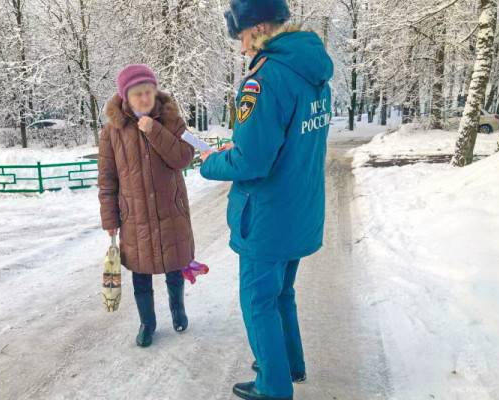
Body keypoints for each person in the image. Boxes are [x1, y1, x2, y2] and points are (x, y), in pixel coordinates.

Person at [200, 0, 334, 399]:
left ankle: (273, 387)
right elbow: (288, 142)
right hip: (300, 209)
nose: (241, 49)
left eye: (241, 37)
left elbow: (251, 162)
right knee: (282, 293)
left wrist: (210, 162)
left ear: (257, 29)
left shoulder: (264, 79)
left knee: (258, 301)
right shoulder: (312, 72)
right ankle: (289, 363)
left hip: (268, 217)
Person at [98, 64, 196, 348]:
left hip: (170, 212)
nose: (144, 99)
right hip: (135, 216)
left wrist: (155, 131)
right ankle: (147, 323)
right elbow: (107, 179)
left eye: (148, 92)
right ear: (125, 97)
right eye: (137, 93)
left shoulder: (171, 121)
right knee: (140, 274)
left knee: (174, 267)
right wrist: (110, 219)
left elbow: (183, 158)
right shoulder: (112, 132)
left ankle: (178, 310)